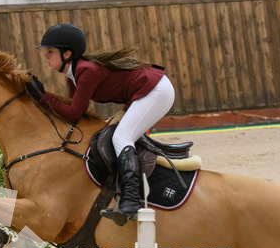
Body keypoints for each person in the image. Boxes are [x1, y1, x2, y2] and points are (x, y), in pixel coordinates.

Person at [26, 24, 175, 221]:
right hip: (146, 91)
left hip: (156, 91)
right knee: (115, 133)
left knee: (121, 137)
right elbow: (73, 112)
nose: (45, 57)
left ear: (67, 54)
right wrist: (43, 99)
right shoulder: (74, 75)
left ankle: (131, 201)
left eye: (50, 52)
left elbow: (73, 114)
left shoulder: (87, 71)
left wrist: (44, 97)